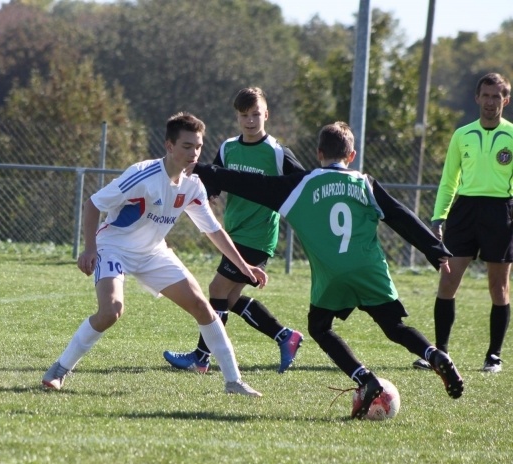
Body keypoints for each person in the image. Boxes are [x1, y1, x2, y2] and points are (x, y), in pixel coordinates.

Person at [192, 122, 464, 419]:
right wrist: (433, 249)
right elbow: (401, 215)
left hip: (332, 275)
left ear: (319, 152)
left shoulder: (301, 184)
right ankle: (434, 354)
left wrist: (205, 171)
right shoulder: (365, 183)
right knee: (394, 327)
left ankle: (365, 379)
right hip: (369, 270)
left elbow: (248, 183)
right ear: (352, 154)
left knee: (320, 328)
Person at [42, 112, 268, 397]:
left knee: (203, 307)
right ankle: (59, 370)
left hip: (153, 253)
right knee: (111, 311)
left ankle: (233, 382)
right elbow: (93, 204)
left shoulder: (193, 186)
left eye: (198, 146)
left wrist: (245, 266)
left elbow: (214, 231)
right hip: (114, 248)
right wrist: (89, 248)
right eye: (187, 146)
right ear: (169, 146)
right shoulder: (142, 174)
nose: (194, 153)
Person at [163, 87, 306, 374]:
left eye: (256, 114)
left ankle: (201, 358)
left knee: (217, 289)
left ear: (266, 114)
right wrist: (210, 193)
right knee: (226, 299)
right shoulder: (229, 147)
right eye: (244, 115)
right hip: (234, 231)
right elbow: (215, 177)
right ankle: (285, 337)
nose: (250, 121)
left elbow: (300, 183)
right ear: (237, 117)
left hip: (259, 235)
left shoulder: (278, 153)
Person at [431, 72, 513, 374]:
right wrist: (439, 217)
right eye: (486, 95)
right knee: (448, 280)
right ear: (477, 98)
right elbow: (449, 179)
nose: (491, 102)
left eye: (497, 96)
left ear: (505, 100)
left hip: (501, 212)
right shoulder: (461, 135)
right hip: (464, 211)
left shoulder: (512, 135)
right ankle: (439, 352)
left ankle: (493, 355)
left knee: (498, 286)